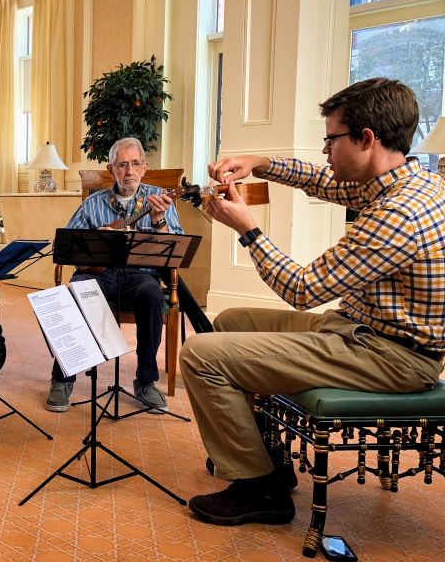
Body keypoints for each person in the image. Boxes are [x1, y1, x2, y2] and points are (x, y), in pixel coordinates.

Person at [182, 77, 445, 526]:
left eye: (330, 139)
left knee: (199, 355)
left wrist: (247, 228)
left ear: (366, 139)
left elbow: (303, 290)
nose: (325, 150)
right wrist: (259, 162)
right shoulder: (398, 181)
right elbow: (324, 180)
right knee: (229, 320)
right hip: (360, 330)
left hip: (391, 356)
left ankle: (258, 488)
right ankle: (266, 457)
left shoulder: (399, 213)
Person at [45, 137, 183, 413]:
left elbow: (175, 248)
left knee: (152, 295)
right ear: (112, 170)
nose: (129, 171)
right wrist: (97, 240)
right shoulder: (92, 204)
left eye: (134, 164)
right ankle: (63, 377)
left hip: (139, 276)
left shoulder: (161, 200)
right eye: (122, 165)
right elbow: (68, 247)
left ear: (144, 167)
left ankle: (145, 381)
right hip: (100, 274)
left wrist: (159, 222)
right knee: (75, 293)